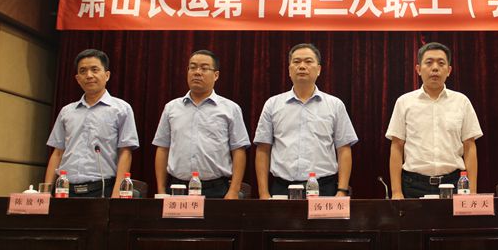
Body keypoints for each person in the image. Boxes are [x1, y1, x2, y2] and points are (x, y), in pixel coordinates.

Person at [254, 43, 357, 198]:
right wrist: (263, 193)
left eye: (308, 61)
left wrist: (342, 190)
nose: (302, 66)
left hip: (324, 188)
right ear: (289, 70)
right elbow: (263, 149)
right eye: (296, 62)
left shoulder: (335, 105)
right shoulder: (273, 104)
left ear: (319, 69)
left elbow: (343, 149)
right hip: (282, 188)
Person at [386, 42, 482, 199]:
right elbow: (396, 147)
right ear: (418, 69)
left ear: (449, 70)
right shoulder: (404, 102)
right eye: (429, 63)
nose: (435, 68)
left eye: (441, 63)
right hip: (413, 185)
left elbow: (469, 146)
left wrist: (472, 191)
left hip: (454, 183)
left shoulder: (462, 101)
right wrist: (396, 192)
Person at [152, 50, 250, 199]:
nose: (197, 72)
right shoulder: (171, 108)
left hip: (216, 189)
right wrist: (161, 189)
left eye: (204, 68)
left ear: (216, 75)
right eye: (192, 67)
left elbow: (238, 150)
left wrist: (234, 191)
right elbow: (162, 148)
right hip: (178, 188)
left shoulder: (230, 109)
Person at [44, 49, 139, 197]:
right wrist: (46, 191)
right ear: (77, 79)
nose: (89, 75)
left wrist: (117, 193)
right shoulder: (67, 111)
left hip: (102, 189)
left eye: (95, 70)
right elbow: (57, 153)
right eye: (83, 71)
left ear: (107, 75)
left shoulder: (121, 109)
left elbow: (125, 152)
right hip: (65, 190)